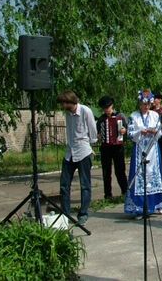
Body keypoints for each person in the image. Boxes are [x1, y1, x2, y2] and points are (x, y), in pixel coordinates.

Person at [57, 90, 97, 226]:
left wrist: (90, 147)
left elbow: (93, 131)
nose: (62, 106)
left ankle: (83, 213)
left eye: (64, 103)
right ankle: (65, 214)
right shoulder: (68, 114)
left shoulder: (86, 111)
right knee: (64, 184)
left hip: (83, 151)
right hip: (70, 152)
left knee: (85, 185)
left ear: (70, 102)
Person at [124, 89, 162, 217]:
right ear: (139, 103)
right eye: (143, 103)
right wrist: (140, 132)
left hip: (153, 149)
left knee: (154, 175)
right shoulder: (133, 116)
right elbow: (130, 134)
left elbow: (161, 132)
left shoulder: (155, 115)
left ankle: (157, 204)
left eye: (148, 104)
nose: (146, 106)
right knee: (139, 176)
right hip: (140, 149)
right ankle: (139, 207)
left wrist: (155, 132)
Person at [96, 96, 128, 199]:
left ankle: (125, 192)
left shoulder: (120, 116)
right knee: (106, 172)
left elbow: (128, 128)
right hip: (106, 148)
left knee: (120, 170)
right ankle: (108, 195)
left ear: (112, 106)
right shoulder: (101, 119)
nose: (106, 110)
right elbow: (98, 133)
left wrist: (124, 130)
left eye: (108, 107)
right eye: (104, 108)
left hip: (118, 147)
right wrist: (99, 136)